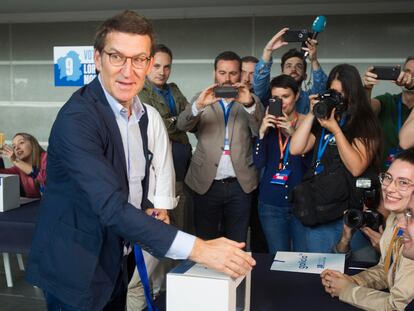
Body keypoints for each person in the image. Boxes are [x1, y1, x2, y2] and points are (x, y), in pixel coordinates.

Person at [25, 11, 255, 311]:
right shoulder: (77, 118)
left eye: (139, 59)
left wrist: (148, 208)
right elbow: (108, 204)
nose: (128, 71)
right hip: (76, 264)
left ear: (148, 63)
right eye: (117, 57)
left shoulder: (143, 115)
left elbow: (128, 180)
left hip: (118, 260)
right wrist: (200, 249)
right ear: (97, 59)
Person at [290, 64, 382, 253]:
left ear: (353, 93)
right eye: (333, 92)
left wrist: (336, 130)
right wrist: (312, 113)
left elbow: (356, 167)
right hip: (320, 210)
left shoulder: (365, 122)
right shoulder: (325, 119)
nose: (337, 97)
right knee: (320, 273)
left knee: (350, 273)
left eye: (342, 93)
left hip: (349, 216)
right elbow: (296, 148)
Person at [177, 51, 263, 244]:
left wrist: (248, 104)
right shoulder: (202, 97)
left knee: (237, 241)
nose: (227, 78)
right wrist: (198, 106)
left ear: (240, 74)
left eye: (233, 73)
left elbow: (261, 132)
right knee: (206, 241)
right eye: (222, 73)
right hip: (206, 182)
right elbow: (182, 125)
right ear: (215, 73)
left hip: (240, 184)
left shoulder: (251, 100)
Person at [321, 148, 414, 311]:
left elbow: (398, 306)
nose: (389, 188)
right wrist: (352, 281)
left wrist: (347, 290)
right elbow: (386, 271)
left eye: (403, 182)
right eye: (388, 178)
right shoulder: (394, 217)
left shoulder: (411, 242)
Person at [138, 43, 192, 232]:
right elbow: (158, 127)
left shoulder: (173, 89)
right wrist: (179, 121)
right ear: (147, 65)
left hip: (182, 167)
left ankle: (177, 262)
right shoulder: (140, 91)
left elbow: (191, 120)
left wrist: (176, 120)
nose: (162, 71)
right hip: (157, 170)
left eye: (167, 66)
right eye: (157, 66)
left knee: (181, 223)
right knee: (163, 224)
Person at [253, 74, 309, 253]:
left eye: (286, 97)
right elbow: (258, 163)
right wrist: (261, 134)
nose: (282, 102)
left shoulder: (307, 122)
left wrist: (293, 134)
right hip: (271, 202)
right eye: (276, 98)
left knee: (302, 257)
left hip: (301, 201)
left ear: (297, 96)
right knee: (277, 256)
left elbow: (310, 164)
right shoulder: (268, 125)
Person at [253, 27, 328, 114]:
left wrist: (314, 60)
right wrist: (268, 51)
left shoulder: (309, 98)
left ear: (305, 75)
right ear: (282, 73)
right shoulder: (270, 96)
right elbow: (259, 83)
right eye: (288, 66)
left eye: (299, 66)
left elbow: (322, 87)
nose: (293, 69)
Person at [363, 56, 414, 168]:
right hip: (383, 174)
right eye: (407, 72)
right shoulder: (387, 100)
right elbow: (365, 112)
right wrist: (367, 88)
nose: (410, 77)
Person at [0, 132, 47, 198]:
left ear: (33, 144)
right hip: (36, 206)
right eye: (14, 146)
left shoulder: (48, 157)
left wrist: (15, 160)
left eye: (21, 143)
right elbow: (1, 174)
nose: (17, 148)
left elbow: (44, 176)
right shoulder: (19, 168)